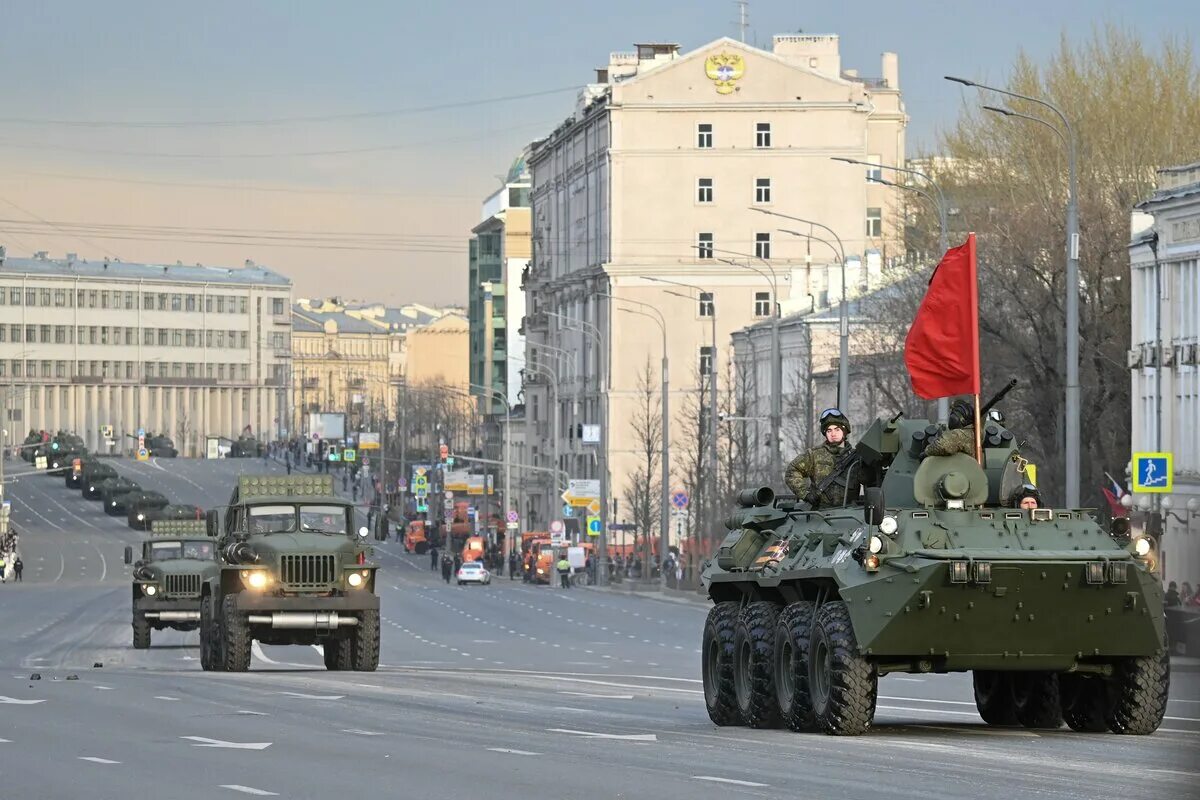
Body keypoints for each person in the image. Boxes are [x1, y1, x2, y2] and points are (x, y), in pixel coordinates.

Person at [785, 409, 861, 508]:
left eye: (837, 429)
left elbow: (872, 482)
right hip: (820, 513)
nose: (833, 434)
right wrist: (806, 494)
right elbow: (792, 471)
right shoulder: (814, 455)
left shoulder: (857, 456)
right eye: (829, 430)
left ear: (844, 431)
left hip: (851, 513)